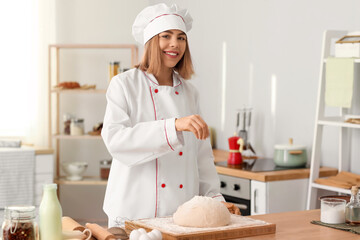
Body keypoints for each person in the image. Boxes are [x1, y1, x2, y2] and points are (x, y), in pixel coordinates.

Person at [101, 3, 240, 227]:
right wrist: (173, 126)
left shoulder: (189, 92)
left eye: (181, 37)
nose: (175, 44)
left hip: (180, 214)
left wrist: (215, 198)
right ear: (151, 42)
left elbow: (202, 156)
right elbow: (115, 140)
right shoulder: (124, 84)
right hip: (132, 213)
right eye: (166, 36)